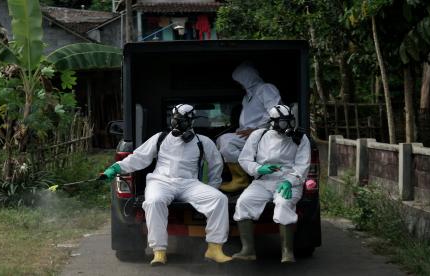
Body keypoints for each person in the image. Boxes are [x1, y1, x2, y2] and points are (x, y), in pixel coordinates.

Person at [100, 104, 232, 265]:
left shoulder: (202, 142)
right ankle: (159, 251)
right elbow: (138, 158)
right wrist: (115, 168)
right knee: (154, 202)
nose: (177, 123)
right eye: (176, 119)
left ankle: (214, 248)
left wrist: (212, 186)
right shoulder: (160, 138)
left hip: (189, 184)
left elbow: (216, 165)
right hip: (161, 182)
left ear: (191, 121)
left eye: (182, 120)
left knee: (219, 199)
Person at [232, 105, 311, 263]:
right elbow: (244, 159)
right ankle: (248, 250)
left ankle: (287, 252)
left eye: (290, 122)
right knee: (243, 202)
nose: (288, 127)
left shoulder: (300, 138)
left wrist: (290, 181)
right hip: (263, 181)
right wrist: (259, 168)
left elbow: (303, 165)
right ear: (273, 122)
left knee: (283, 204)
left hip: (288, 181)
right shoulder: (259, 135)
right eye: (283, 123)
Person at [217, 61, 281, 193]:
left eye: (240, 80)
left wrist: (258, 129)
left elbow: (276, 111)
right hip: (250, 135)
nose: (239, 84)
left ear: (247, 77)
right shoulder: (247, 97)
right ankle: (244, 172)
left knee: (226, 141)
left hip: (264, 134)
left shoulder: (266, 89)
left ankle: (241, 179)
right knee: (220, 140)